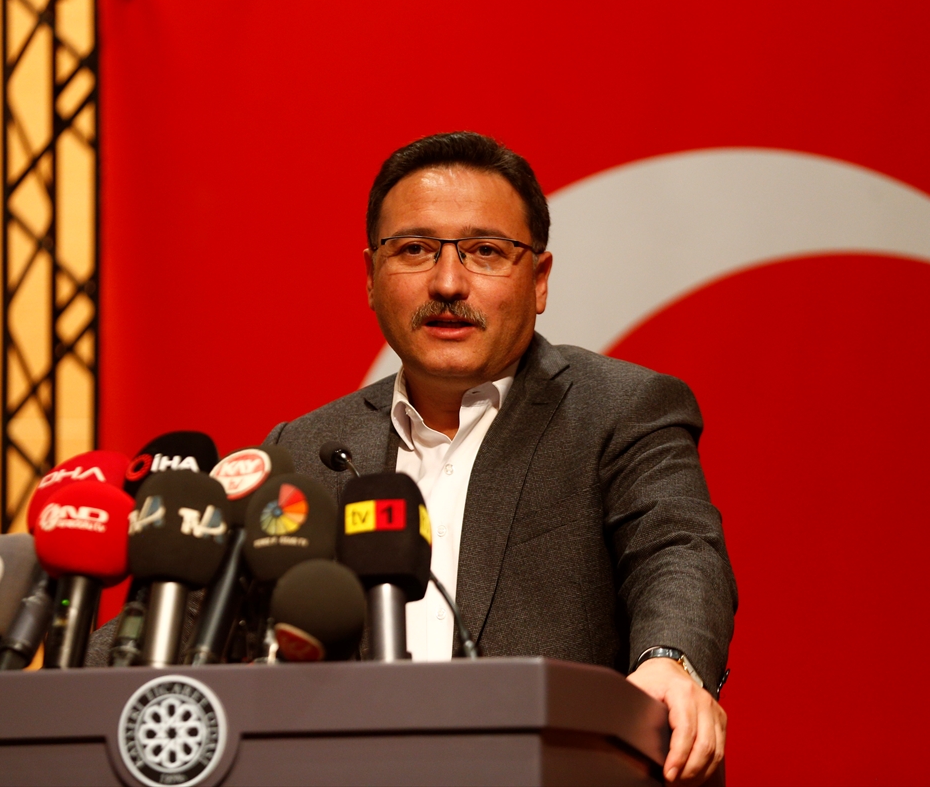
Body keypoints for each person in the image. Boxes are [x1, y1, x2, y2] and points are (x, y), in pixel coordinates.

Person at [266, 131, 737, 785]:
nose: (448, 283)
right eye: (414, 249)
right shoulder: (303, 449)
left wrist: (671, 660)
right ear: (371, 278)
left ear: (538, 280)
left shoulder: (620, 410)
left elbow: (677, 547)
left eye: (485, 251)